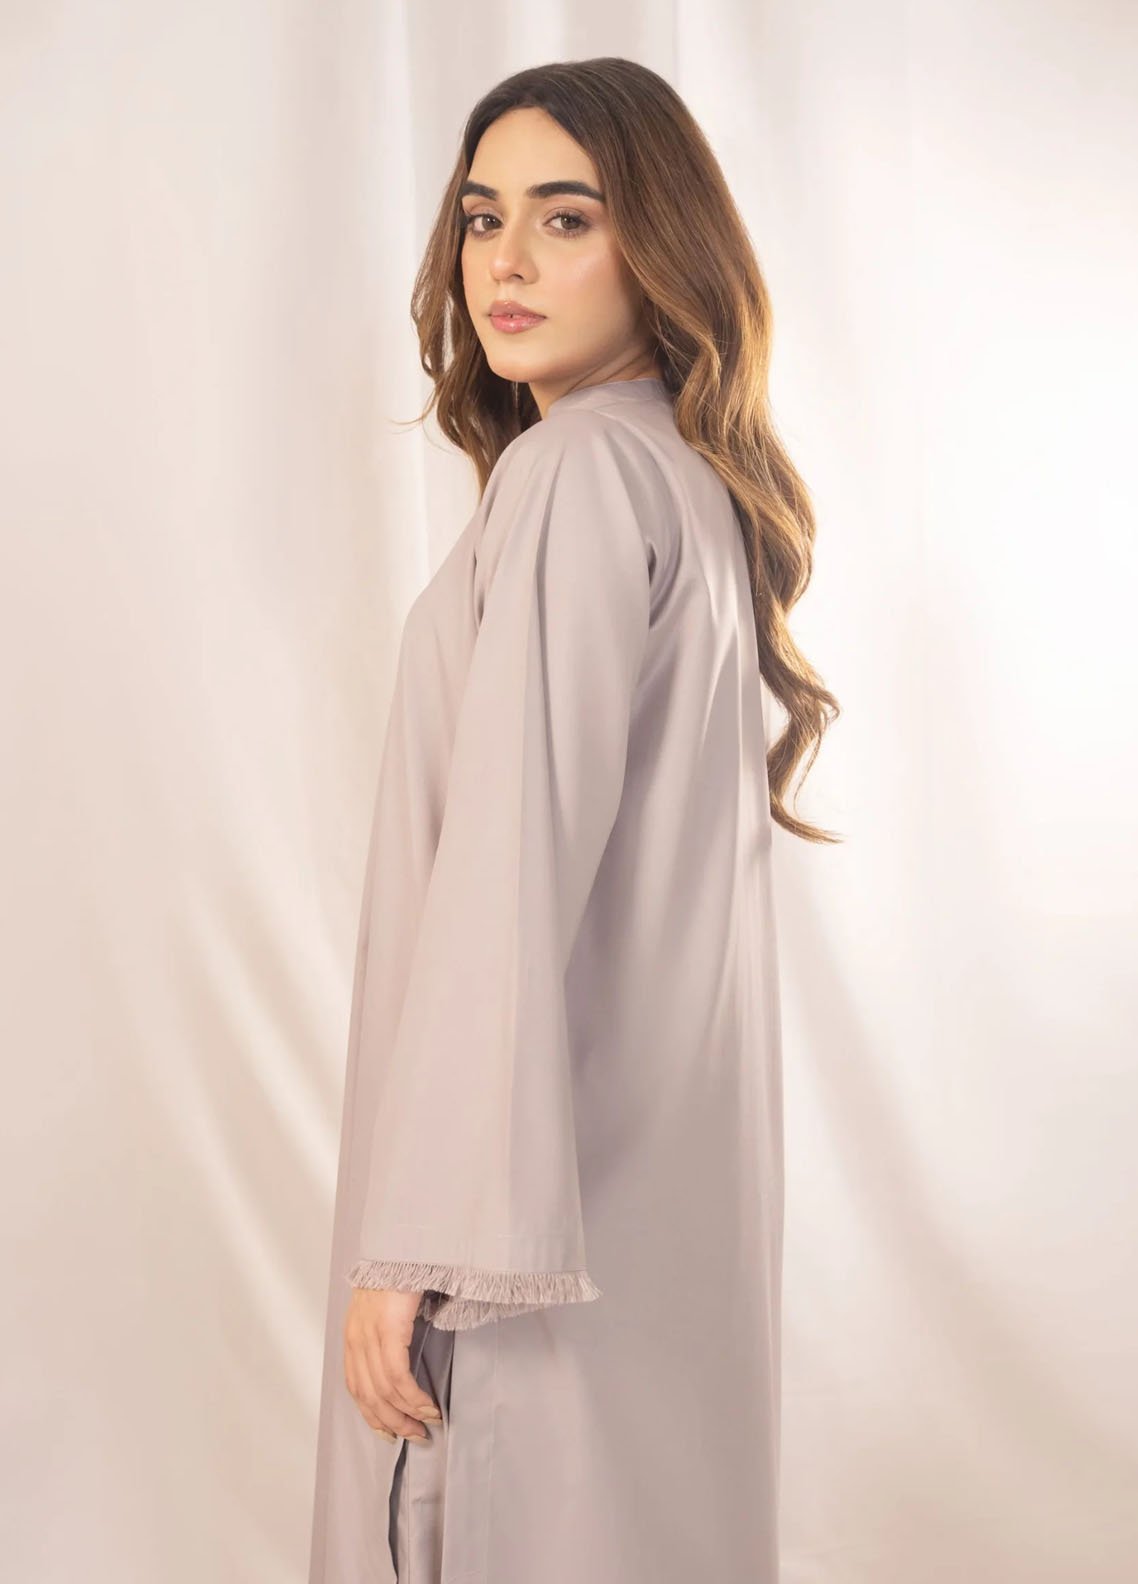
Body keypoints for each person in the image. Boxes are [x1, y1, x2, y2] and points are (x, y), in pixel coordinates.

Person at [308, 56, 840, 1584]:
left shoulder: (577, 472)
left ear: (656, 241)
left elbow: (511, 874)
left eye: (566, 218)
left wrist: (415, 1247)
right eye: (483, 219)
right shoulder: (677, 475)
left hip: (531, 1239)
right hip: (651, 1217)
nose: (508, 264)